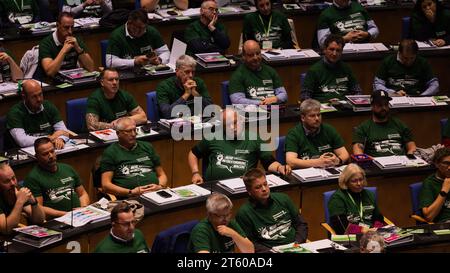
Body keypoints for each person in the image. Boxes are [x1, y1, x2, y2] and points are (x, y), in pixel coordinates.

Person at [188, 108, 291, 183]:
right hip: (214, 188)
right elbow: (193, 153)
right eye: (228, 125)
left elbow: (268, 162)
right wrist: (195, 173)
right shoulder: (213, 138)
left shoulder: (254, 138)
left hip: (243, 187)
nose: (233, 127)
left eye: (235, 122)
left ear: (242, 120)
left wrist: (280, 167)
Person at [236, 168, 308, 253]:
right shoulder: (244, 213)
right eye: (258, 187)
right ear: (249, 191)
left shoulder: (283, 199)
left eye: (265, 184)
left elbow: (301, 224)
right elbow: (251, 243)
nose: (264, 189)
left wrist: (297, 243)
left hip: (296, 247)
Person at [100, 117, 168, 198]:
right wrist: (130, 192)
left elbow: (162, 175)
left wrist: (159, 186)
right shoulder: (110, 152)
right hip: (129, 197)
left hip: (155, 193)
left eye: (135, 130)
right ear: (118, 133)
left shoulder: (147, 147)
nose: (133, 134)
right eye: (128, 131)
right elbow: (106, 185)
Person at [24, 138, 90, 219]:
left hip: (80, 216)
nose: (51, 156)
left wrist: (83, 208)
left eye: (52, 151)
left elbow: (82, 194)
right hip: (56, 220)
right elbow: (38, 208)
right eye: (45, 154)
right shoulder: (33, 178)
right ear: (37, 156)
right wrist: (64, 214)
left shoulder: (67, 168)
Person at [6, 79, 70, 149]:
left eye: (40, 94)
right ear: (24, 97)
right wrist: (51, 138)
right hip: (29, 151)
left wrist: (61, 139)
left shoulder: (48, 106)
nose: (39, 99)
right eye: (34, 96)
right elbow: (22, 141)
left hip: (50, 147)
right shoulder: (15, 113)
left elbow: (64, 131)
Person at [285, 99, 349, 169]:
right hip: (307, 173)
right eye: (312, 116)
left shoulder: (328, 129)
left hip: (328, 171)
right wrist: (319, 162)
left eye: (318, 115)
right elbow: (291, 161)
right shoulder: (294, 134)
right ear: (303, 118)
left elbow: (344, 154)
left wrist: (337, 160)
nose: (317, 118)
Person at [352, 90, 417, 157]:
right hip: (375, 162)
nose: (384, 108)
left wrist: (410, 154)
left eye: (386, 104)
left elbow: (411, 145)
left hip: (401, 162)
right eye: (380, 105)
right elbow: (358, 151)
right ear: (372, 106)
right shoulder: (363, 127)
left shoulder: (399, 124)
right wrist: (368, 160)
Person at [301, 34, 361, 103]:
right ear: (324, 50)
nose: (334, 53)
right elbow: (305, 98)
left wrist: (350, 102)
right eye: (331, 49)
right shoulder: (314, 70)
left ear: (342, 52)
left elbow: (357, 91)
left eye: (338, 50)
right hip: (322, 110)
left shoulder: (346, 68)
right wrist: (325, 103)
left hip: (344, 108)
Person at [328, 164, 386, 234]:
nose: (359, 183)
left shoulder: (369, 194)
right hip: (350, 236)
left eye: (361, 179)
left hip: (371, 234)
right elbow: (341, 227)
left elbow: (378, 218)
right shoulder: (337, 198)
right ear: (346, 181)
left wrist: (377, 229)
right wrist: (363, 230)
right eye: (354, 181)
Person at [189, 193, 254, 253]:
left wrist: (234, 234)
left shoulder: (231, 223)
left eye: (228, 214)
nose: (225, 219)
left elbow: (250, 251)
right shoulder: (201, 230)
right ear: (210, 214)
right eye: (221, 216)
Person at [106, 9, 170, 70]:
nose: (142, 31)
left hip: (148, 71)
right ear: (129, 23)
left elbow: (165, 52)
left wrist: (160, 59)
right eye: (138, 28)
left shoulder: (151, 31)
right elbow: (110, 62)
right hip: (126, 73)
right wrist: (134, 62)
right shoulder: (117, 36)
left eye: (144, 27)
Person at [228, 40, 288, 105]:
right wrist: (261, 103)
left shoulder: (270, 71)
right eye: (251, 55)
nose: (256, 57)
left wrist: (276, 99)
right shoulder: (238, 75)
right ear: (243, 56)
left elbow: (283, 94)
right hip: (251, 112)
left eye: (258, 53)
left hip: (274, 110)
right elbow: (237, 100)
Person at [373, 39, 439, 96]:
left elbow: (434, 85)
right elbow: (377, 85)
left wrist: (422, 96)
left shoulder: (423, 62)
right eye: (405, 58)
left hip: (417, 97)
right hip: (393, 97)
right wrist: (392, 93)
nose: (408, 61)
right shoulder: (388, 61)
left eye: (412, 58)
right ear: (399, 53)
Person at [38, 12, 94, 78]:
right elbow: (50, 72)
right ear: (57, 25)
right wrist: (64, 50)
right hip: (53, 82)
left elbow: (91, 68)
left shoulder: (76, 40)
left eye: (72, 27)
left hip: (73, 77)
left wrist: (78, 49)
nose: (70, 31)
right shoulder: (46, 43)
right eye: (66, 27)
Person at [156, 55, 212, 119]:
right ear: (177, 72)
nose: (191, 75)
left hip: (195, 121)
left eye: (193, 72)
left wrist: (195, 94)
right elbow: (167, 114)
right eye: (187, 72)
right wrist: (186, 94)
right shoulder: (164, 86)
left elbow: (210, 109)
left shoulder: (199, 82)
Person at [0, 162, 45, 234]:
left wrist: (34, 202)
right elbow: (6, 229)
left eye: (13, 178)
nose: (13, 183)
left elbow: (40, 220)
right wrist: (20, 202)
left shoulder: (16, 189)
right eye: (7, 181)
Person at [420, 147, 450, 222]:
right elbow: (429, 216)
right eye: (446, 163)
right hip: (444, 224)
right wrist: (444, 191)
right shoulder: (430, 183)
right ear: (437, 164)